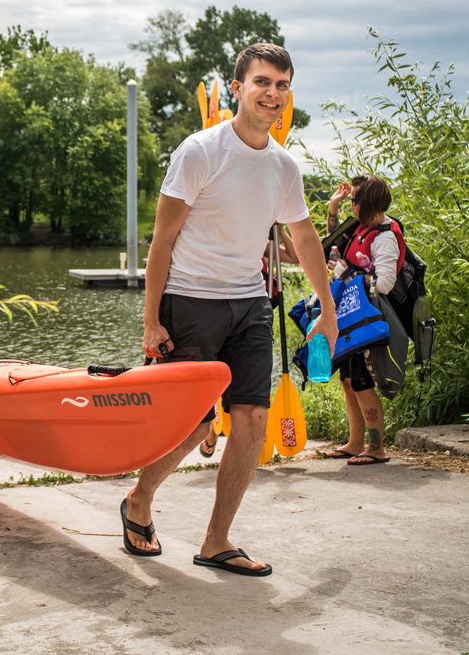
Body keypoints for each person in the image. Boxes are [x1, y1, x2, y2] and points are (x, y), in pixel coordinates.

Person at [123, 43, 338, 577]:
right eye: (263, 82)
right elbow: (162, 240)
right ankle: (139, 500)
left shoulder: (283, 166)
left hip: (250, 303)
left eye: (282, 85)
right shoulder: (200, 152)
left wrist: (328, 309)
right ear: (238, 88)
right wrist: (152, 320)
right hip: (190, 300)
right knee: (192, 426)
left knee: (251, 422)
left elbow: (305, 237)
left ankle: (217, 540)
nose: (273, 93)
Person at [318, 175, 404, 466]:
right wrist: (333, 206)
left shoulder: (384, 237)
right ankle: (355, 443)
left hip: (369, 322)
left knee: (362, 382)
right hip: (353, 318)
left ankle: (376, 447)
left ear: (367, 204)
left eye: (354, 201)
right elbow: (334, 241)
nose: (351, 206)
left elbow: (385, 284)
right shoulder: (361, 226)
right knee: (348, 381)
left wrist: (348, 274)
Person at [198, 224, 299, 459]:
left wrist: (279, 228)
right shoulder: (225, 235)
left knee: (250, 379)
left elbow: (294, 257)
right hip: (221, 311)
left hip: (255, 314)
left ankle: (245, 435)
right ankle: (213, 430)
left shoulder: (259, 241)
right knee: (220, 374)